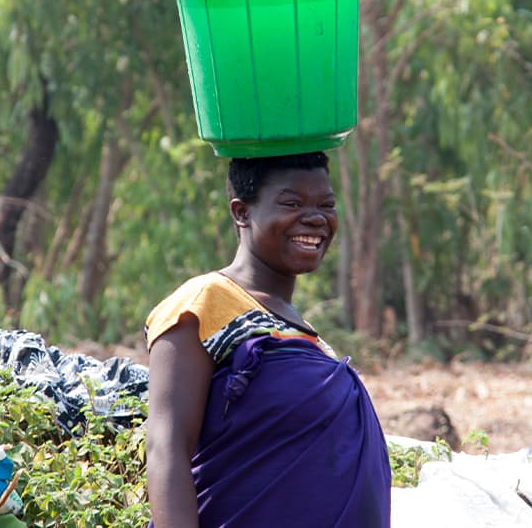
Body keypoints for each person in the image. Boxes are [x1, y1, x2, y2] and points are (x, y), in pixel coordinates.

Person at [144, 151, 391, 528]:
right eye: (292, 203)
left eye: (327, 204)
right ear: (241, 212)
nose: (316, 217)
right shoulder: (202, 304)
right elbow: (166, 448)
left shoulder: (302, 332)